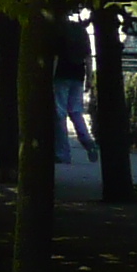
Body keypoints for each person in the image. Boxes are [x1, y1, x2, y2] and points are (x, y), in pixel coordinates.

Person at [56, 13, 98, 162]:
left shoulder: (59, 31)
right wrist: (89, 78)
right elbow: (88, 57)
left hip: (61, 75)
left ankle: (63, 153)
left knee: (60, 113)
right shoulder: (81, 31)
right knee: (76, 111)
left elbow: (55, 57)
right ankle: (89, 143)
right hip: (78, 75)